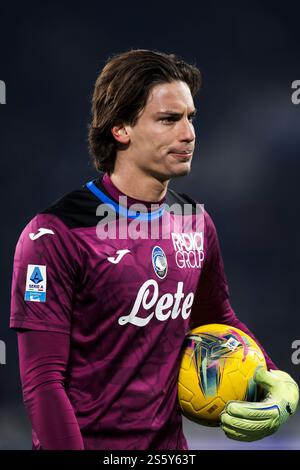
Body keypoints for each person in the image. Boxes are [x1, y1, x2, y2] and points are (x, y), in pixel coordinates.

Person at [10, 49, 298, 450]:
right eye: (168, 119)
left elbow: (216, 319)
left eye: (190, 118)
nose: (188, 133)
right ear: (121, 128)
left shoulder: (196, 223)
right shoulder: (55, 234)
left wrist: (275, 377)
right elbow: (43, 381)